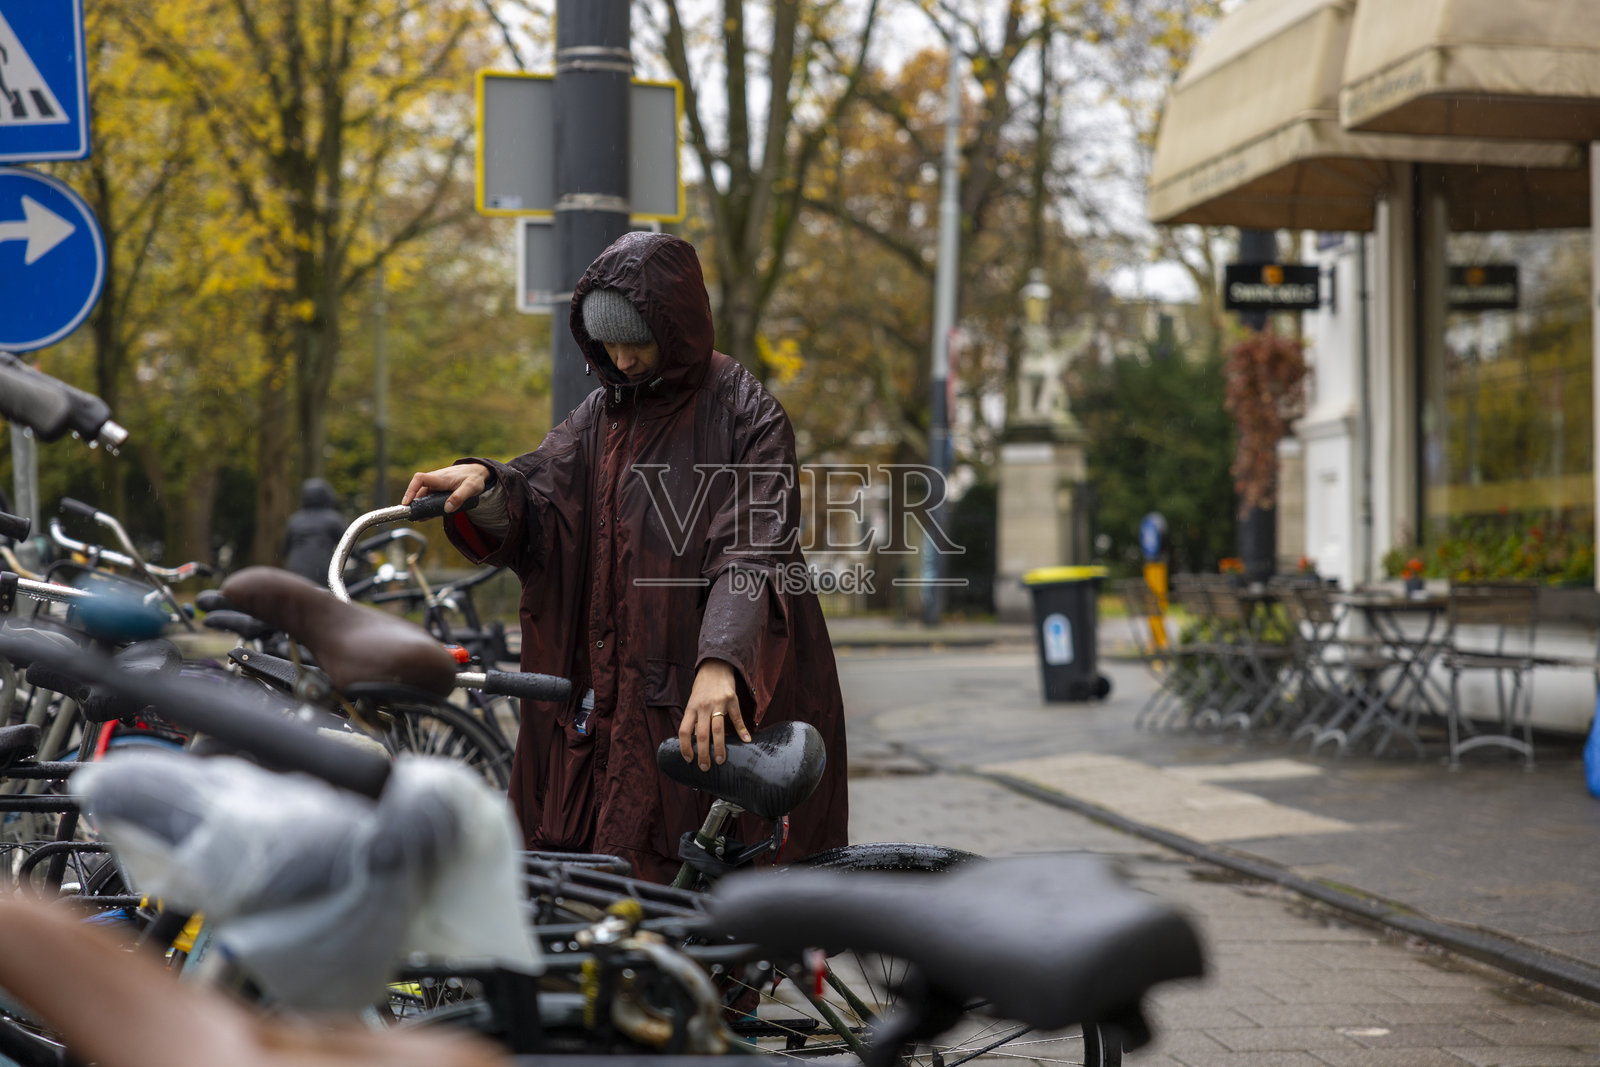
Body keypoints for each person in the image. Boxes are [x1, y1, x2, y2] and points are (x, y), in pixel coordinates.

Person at [405, 232, 848, 882]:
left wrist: (722, 662)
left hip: (702, 697)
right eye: (606, 343)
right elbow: (544, 495)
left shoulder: (743, 411)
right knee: (609, 894)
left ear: (674, 323)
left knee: (697, 890)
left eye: (633, 339)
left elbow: (753, 547)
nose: (621, 356)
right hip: (612, 704)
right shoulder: (599, 415)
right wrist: (488, 486)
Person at [283, 478, 347, 586]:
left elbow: (285, 550)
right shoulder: (333, 519)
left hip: (294, 571)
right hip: (321, 572)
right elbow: (349, 546)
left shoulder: (294, 521)